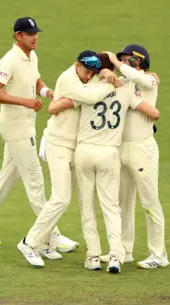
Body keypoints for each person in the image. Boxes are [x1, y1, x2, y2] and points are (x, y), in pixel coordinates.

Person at [0, 17, 77, 253]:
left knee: (7, 177)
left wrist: (48, 93)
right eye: (29, 34)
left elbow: (35, 80)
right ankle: (51, 236)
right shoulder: (9, 60)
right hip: (16, 128)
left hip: (25, 126)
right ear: (17, 36)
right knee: (35, 182)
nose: (34, 37)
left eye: (35, 33)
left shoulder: (31, 56)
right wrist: (24, 102)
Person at [49, 59, 160, 273]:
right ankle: (116, 257)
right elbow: (154, 113)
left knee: (87, 207)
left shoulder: (87, 89)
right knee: (112, 207)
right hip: (110, 154)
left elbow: (55, 107)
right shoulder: (126, 90)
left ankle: (92, 257)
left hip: (84, 153)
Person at [17, 50, 120, 267]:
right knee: (61, 198)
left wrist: (104, 71)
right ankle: (29, 242)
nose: (87, 75)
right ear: (77, 64)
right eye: (85, 70)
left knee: (64, 198)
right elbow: (91, 96)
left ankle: (45, 243)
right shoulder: (68, 78)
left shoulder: (90, 77)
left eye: (91, 72)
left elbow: (92, 84)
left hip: (76, 148)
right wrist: (111, 84)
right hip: (58, 143)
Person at [100, 45, 169, 269]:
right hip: (121, 149)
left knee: (149, 201)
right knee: (122, 202)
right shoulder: (125, 83)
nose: (122, 63)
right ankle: (123, 250)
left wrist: (118, 64)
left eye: (126, 59)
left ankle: (158, 254)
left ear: (139, 61)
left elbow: (146, 82)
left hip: (142, 149)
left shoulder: (149, 80)